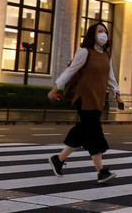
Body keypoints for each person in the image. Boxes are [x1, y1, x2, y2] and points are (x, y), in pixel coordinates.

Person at [47, 22, 122, 183]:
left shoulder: (106, 55)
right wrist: (56, 88)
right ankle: (101, 171)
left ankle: (58, 160)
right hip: (84, 97)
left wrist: (117, 93)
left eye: (105, 31)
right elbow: (70, 70)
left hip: (98, 98)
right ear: (92, 35)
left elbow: (110, 76)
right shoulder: (84, 52)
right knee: (95, 132)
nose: (103, 34)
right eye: (99, 31)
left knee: (82, 131)